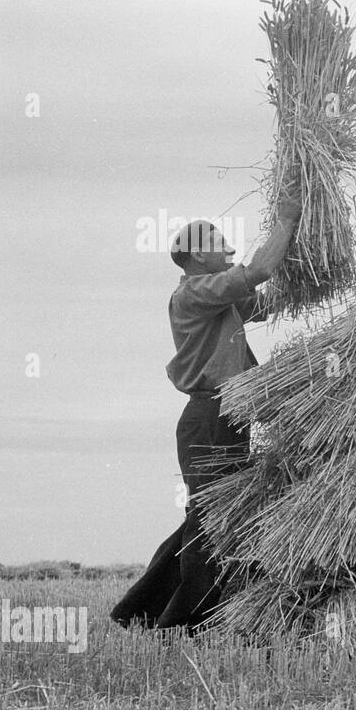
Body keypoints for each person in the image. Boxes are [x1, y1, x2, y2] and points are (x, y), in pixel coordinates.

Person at [111, 193, 301, 634]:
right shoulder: (194, 293)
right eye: (220, 242)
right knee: (214, 517)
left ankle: (139, 611)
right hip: (210, 416)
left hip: (227, 417)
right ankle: (183, 624)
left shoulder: (219, 299)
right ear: (198, 254)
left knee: (212, 514)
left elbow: (270, 297)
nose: (229, 247)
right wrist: (287, 220)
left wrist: (307, 259)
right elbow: (258, 271)